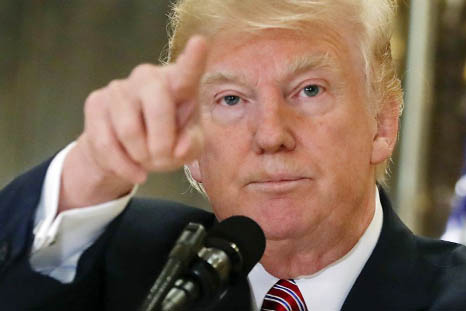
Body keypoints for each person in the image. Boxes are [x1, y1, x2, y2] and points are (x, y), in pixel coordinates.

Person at [1, 0, 466, 310]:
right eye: (230, 99)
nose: (270, 134)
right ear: (192, 146)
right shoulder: (121, 261)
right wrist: (92, 170)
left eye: (308, 90)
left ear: (382, 124)